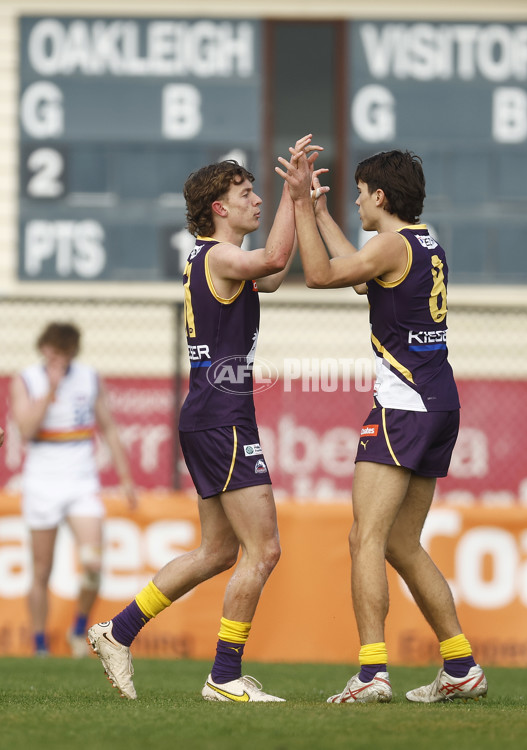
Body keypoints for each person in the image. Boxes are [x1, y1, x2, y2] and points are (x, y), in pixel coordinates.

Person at [88, 135, 322, 702]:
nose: (256, 201)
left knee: (218, 551)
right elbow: (271, 260)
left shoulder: (211, 258)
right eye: (246, 193)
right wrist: (296, 199)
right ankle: (224, 676)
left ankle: (116, 632)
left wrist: (296, 205)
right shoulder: (218, 254)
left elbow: (270, 275)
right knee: (263, 550)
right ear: (219, 206)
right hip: (222, 417)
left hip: (210, 413)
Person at [276, 146, 487, 704]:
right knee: (400, 542)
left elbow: (322, 275)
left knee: (364, 537)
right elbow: (363, 280)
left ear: (381, 197)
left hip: (404, 405)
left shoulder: (390, 244)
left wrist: (299, 203)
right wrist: (321, 215)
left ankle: (372, 672)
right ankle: (461, 664)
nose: (356, 201)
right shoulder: (423, 242)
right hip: (441, 402)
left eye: (360, 192)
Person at [11, 322, 137, 657]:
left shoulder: (89, 377)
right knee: (41, 570)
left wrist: (125, 478)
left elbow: (108, 428)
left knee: (94, 564)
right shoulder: (26, 380)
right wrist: (50, 390)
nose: (57, 359)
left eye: (63, 353)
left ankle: (79, 625)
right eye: (52, 351)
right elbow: (25, 429)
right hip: (41, 482)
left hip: (81, 482)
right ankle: (39, 644)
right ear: (43, 349)